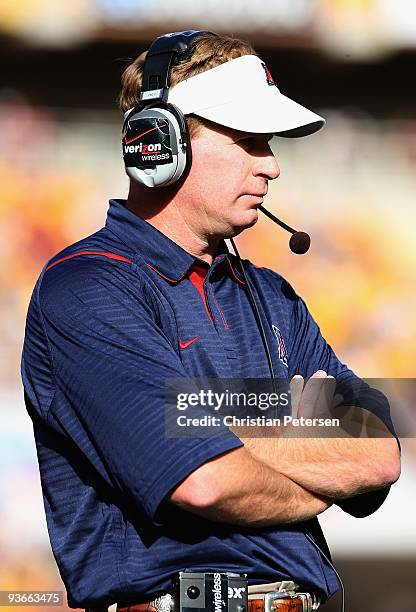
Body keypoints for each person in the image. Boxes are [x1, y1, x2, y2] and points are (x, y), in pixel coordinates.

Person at [21, 30, 400, 612]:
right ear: (159, 142)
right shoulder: (85, 287)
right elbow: (204, 480)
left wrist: (226, 434)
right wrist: (297, 437)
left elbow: (380, 455)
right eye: (249, 140)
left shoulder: (273, 296)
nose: (271, 165)